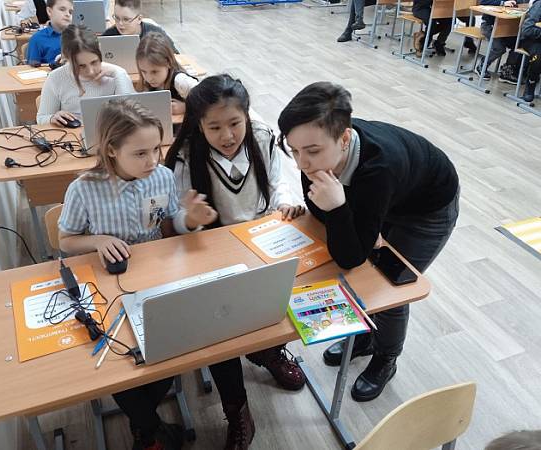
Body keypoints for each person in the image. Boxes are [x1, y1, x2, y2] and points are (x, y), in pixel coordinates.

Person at [59, 98, 257, 450]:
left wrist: (189, 220)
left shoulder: (161, 177)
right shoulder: (84, 188)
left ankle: (148, 429)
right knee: (118, 360)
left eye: (156, 149)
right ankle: (149, 428)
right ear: (111, 150)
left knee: (185, 337)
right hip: (112, 286)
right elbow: (65, 240)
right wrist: (98, 240)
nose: (152, 160)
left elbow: (167, 225)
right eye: (140, 153)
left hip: (159, 277)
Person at [277, 82, 460, 402]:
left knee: (389, 289)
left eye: (312, 151)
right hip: (389, 197)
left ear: (344, 139)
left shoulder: (379, 169)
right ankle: (364, 337)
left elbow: (350, 257)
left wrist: (340, 208)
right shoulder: (316, 150)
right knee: (363, 275)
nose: (302, 163)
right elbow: (321, 215)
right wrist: (343, 216)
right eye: (294, 150)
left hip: (426, 209)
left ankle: (386, 358)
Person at [165, 74, 307, 394]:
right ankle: (235, 405)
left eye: (234, 123)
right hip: (213, 249)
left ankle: (269, 352)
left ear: (246, 116)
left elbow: (277, 181)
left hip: (260, 239)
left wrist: (285, 202)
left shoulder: (261, 136)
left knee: (274, 302)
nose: (227, 135)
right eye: (214, 127)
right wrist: (191, 220)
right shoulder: (186, 156)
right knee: (219, 329)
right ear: (199, 125)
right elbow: (176, 223)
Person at [36, 24, 135, 126]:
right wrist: (52, 118)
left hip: (109, 133)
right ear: (66, 57)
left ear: (100, 49)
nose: (90, 71)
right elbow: (41, 118)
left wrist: (119, 73)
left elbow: (133, 117)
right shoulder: (55, 78)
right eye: (81, 66)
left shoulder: (116, 75)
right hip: (72, 134)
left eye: (94, 62)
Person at [136, 32, 197, 116]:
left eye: (154, 72)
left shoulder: (181, 81)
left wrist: (185, 107)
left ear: (168, 63)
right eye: (143, 71)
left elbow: (209, 100)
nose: (149, 78)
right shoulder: (147, 82)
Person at [475, 0, 528, 83]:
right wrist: (503, 3)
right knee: (499, 48)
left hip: (508, 26)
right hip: (489, 25)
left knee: (518, 44)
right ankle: (482, 65)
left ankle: (506, 72)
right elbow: (483, 2)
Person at [102, 0, 179, 53]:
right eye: (117, 18)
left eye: (126, 19)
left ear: (139, 19)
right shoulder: (108, 36)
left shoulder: (156, 34)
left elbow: (175, 56)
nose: (120, 23)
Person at [411, 0, 477, 56]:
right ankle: (422, 44)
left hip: (447, 6)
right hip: (422, 7)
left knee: (453, 21)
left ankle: (439, 43)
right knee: (432, 22)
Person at [27, 0, 73, 65]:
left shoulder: (77, 36)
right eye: (62, 9)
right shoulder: (37, 39)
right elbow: (32, 68)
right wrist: (56, 64)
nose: (68, 14)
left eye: (70, 12)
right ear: (49, 11)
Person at [519, 0, 541, 102]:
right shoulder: (539, 5)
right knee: (538, 55)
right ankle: (531, 82)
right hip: (532, 40)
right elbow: (527, 30)